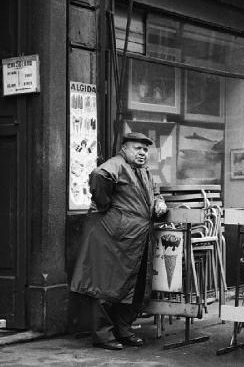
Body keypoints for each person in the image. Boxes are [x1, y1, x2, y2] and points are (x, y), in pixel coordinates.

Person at [70, 132, 168, 350]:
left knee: (131, 286)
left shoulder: (143, 171)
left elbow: (154, 191)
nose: (142, 153)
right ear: (124, 148)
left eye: (145, 149)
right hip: (113, 238)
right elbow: (99, 175)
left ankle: (123, 330)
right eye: (137, 148)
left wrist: (159, 201)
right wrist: (104, 205)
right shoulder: (116, 164)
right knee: (106, 287)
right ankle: (103, 336)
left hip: (134, 240)